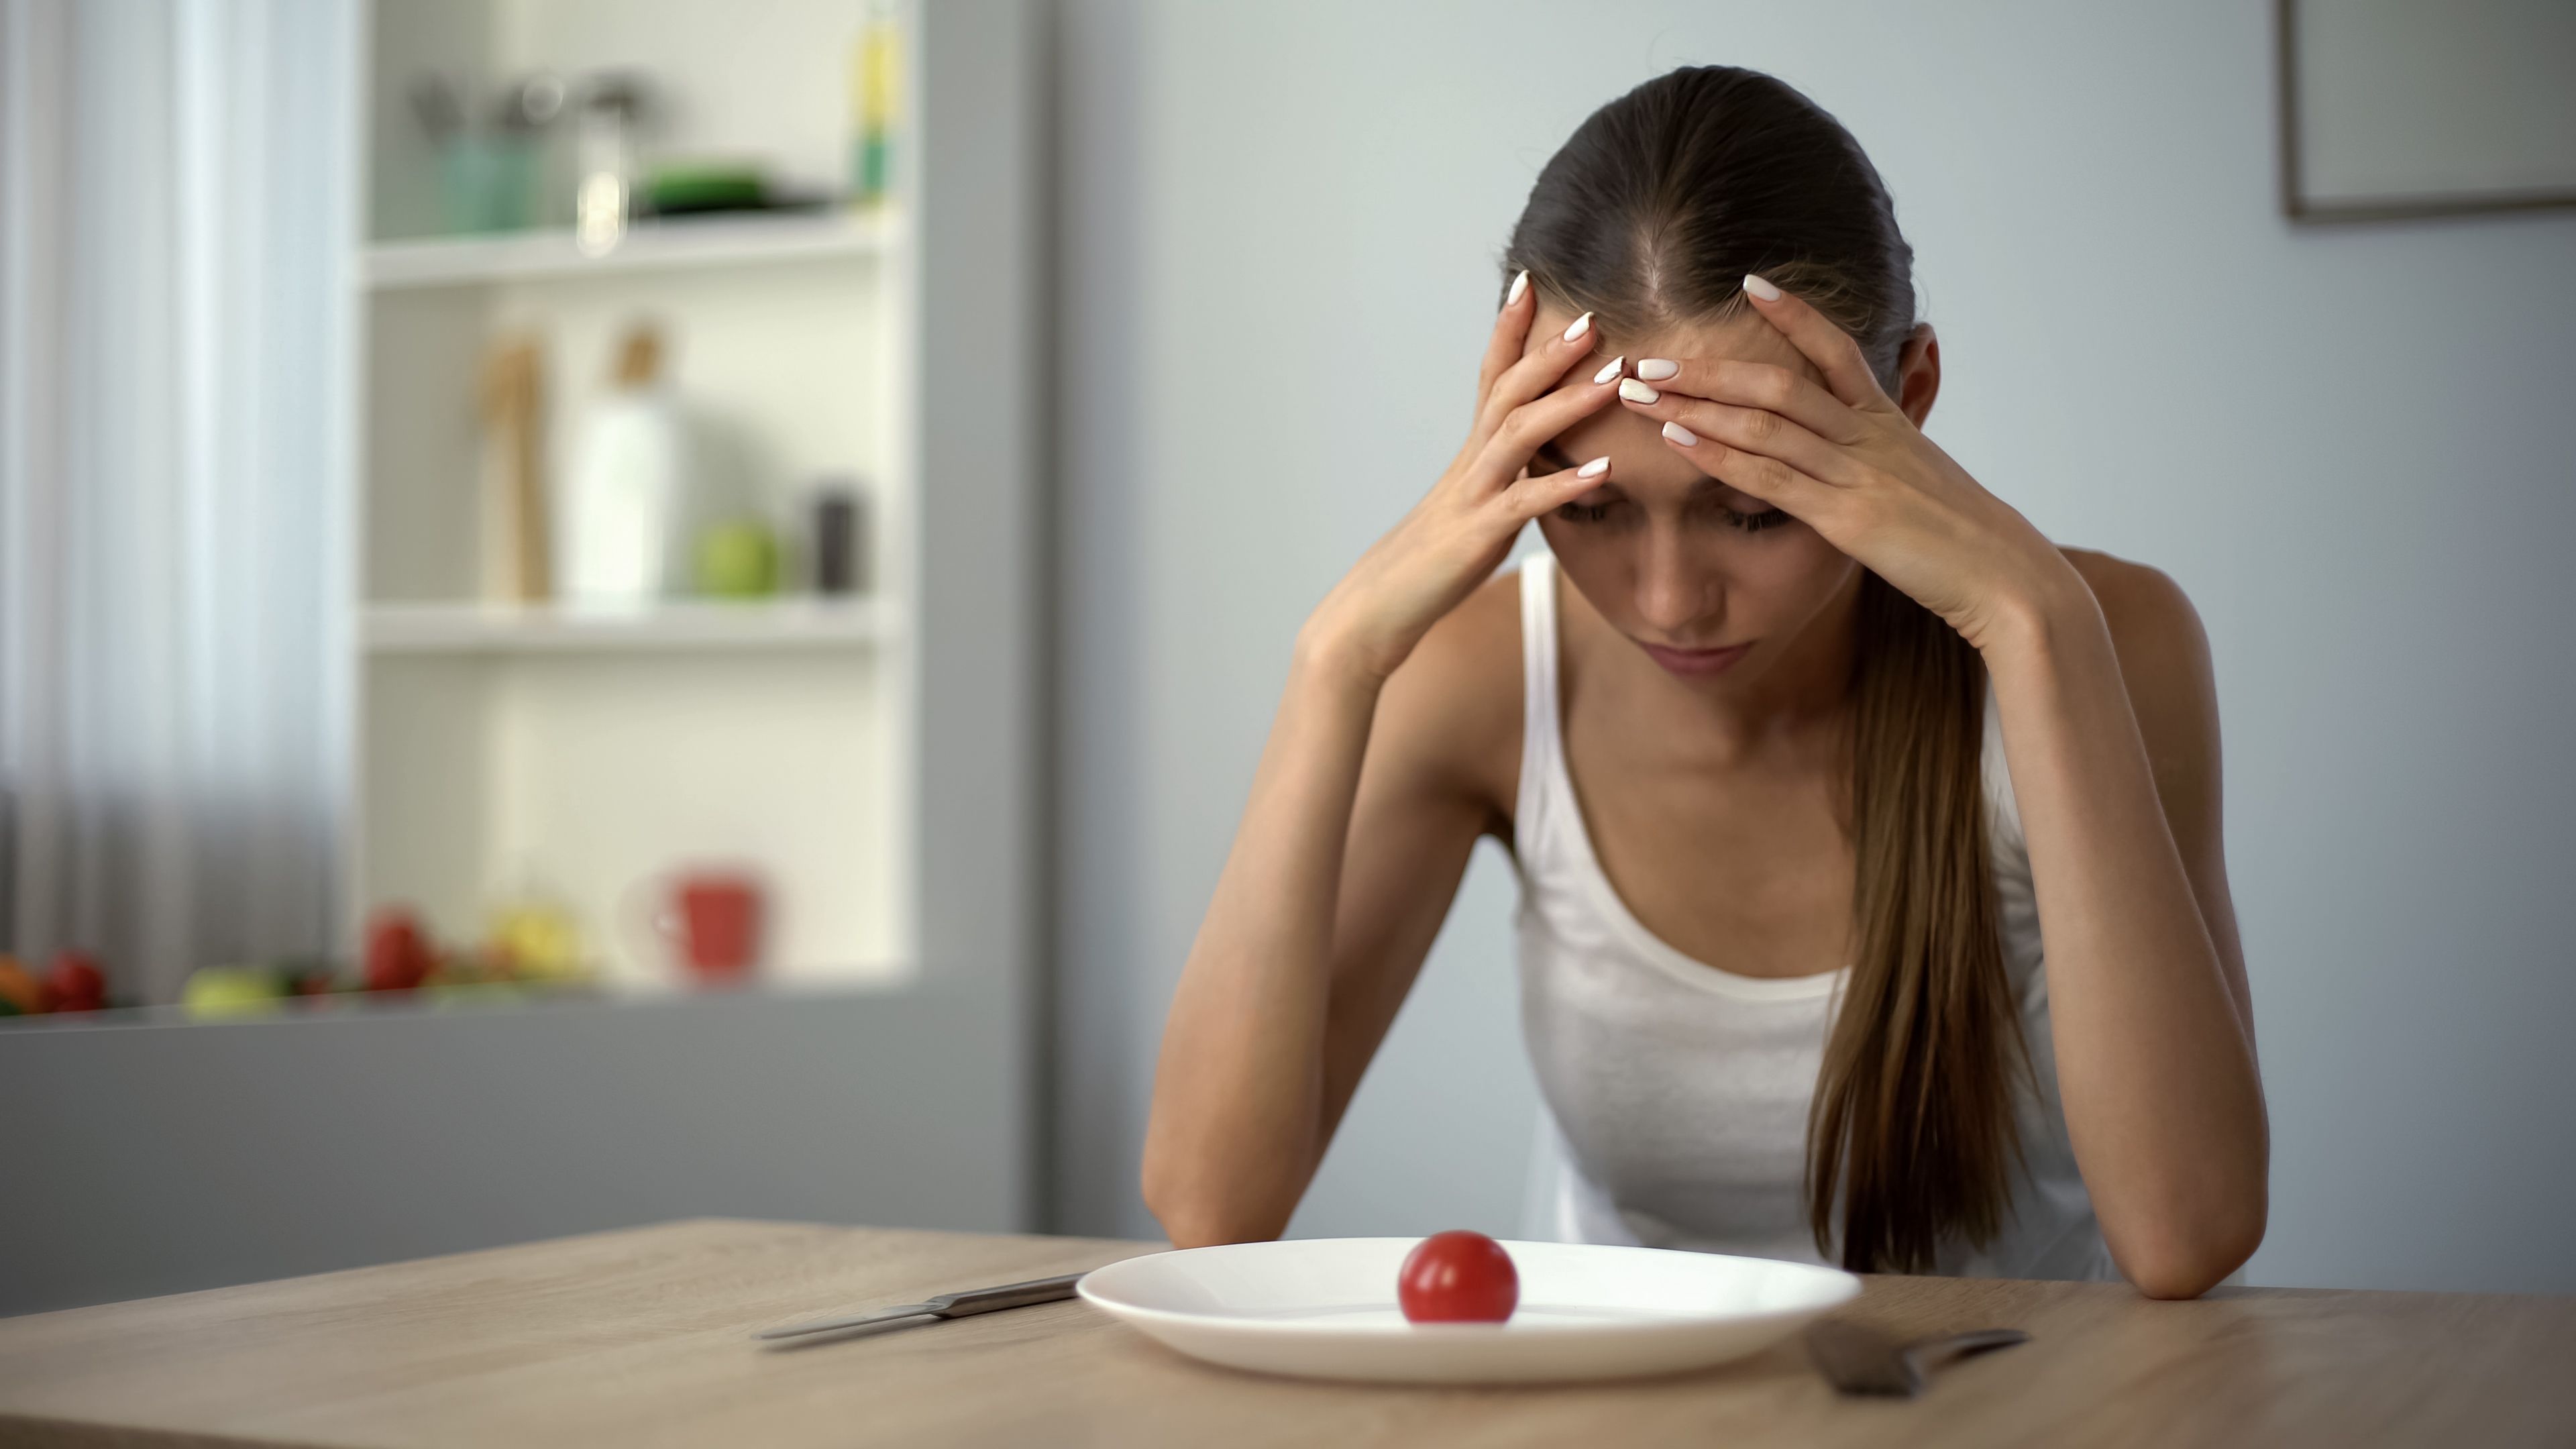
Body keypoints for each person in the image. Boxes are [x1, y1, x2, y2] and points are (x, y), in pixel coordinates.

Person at [1140, 66, 2266, 1298]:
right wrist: (1334, 659)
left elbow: (2187, 1233)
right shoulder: (1481, 684)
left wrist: (2035, 618)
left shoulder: (2104, 641)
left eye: (1751, 510)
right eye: (1596, 506)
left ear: (1913, 398)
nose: (1668, 601)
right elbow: (1210, 1203)